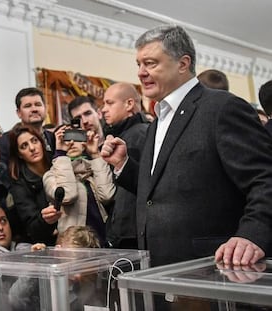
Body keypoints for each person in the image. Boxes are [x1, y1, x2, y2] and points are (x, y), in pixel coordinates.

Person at [100, 25, 272, 268]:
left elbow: (265, 179)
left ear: (183, 63)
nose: (141, 72)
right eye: (138, 64)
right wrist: (123, 165)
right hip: (161, 268)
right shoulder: (158, 120)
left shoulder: (221, 108)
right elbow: (160, 193)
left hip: (213, 267)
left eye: (150, 63)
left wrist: (252, 234)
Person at [43, 126, 115, 246]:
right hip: (73, 246)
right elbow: (68, 195)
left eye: (76, 136)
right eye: (65, 138)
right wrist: (61, 154)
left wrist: (95, 154)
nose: (71, 142)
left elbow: (108, 195)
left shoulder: (94, 170)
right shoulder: (50, 176)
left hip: (101, 241)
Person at [101, 82, 149, 249]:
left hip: (130, 235)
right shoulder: (127, 134)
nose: (103, 109)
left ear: (129, 104)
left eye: (110, 103)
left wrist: (119, 232)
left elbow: (129, 194)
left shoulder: (137, 135)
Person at [8, 123, 59, 245]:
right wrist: (45, 220)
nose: (32, 148)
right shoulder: (19, 185)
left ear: (41, 142)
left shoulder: (58, 163)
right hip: (45, 243)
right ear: (19, 154)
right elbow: (32, 228)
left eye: (34, 141)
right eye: (24, 146)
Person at [0, 87, 55, 166]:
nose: (34, 109)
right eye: (28, 106)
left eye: (38, 104)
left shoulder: (53, 139)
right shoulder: (5, 142)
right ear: (19, 113)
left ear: (45, 109)